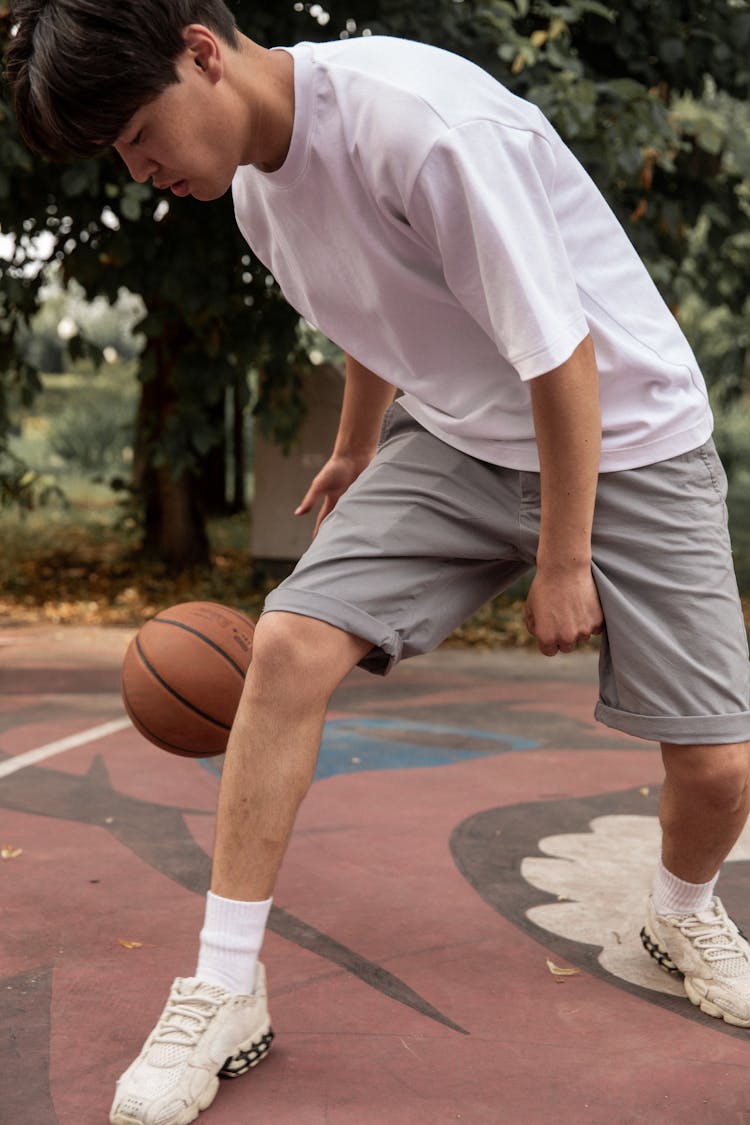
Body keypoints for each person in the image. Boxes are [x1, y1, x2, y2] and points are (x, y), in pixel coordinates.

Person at [7, 2, 750, 1123]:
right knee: (290, 647)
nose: (139, 167)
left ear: (202, 52)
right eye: (117, 154)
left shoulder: (424, 124)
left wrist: (561, 557)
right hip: (454, 434)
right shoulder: (253, 191)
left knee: (720, 770)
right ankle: (223, 983)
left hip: (625, 435)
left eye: (135, 132)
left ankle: (680, 908)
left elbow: (562, 353)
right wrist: (358, 444)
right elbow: (375, 301)